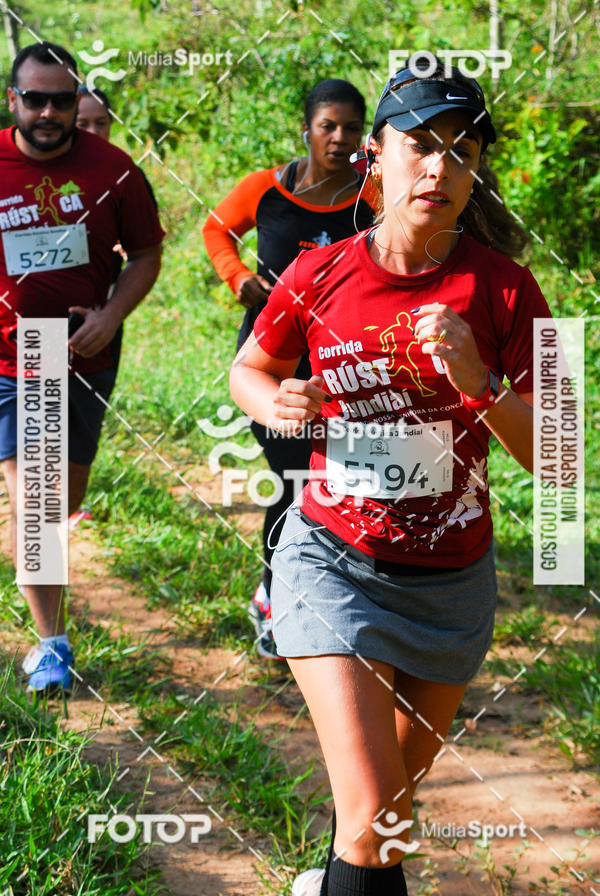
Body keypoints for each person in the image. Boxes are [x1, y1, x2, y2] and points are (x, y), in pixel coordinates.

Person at [229, 58, 552, 895]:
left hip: (450, 587)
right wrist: (277, 402)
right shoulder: (319, 272)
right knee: (375, 820)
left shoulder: (511, 292)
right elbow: (250, 371)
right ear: (377, 155)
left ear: (478, 169)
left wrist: (482, 382)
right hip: (332, 562)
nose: (441, 168)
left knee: (387, 828)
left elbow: (563, 455)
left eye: (463, 151)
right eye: (420, 146)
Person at [1, 42, 164, 695]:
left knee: (61, 503)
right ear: (12, 99)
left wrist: (112, 314)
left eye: (61, 101)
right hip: (16, 353)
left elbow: (147, 255)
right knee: (37, 504)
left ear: (77, 103)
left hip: (86, 348)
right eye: (34, 99)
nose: (47, 112)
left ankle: (44, 598)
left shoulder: (114, 169)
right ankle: (52, 647)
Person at [203, 78, 377, 660]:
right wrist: (238, 278)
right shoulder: (266, 189)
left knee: (338, 484)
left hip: (342, 369)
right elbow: (216, 228)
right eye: (328, 125)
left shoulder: (371, 197)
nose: (339, 137)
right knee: (294, 484)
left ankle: (336, 598)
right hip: (270, 365)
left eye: (352, 127)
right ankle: (276, 601)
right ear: (306, 128)